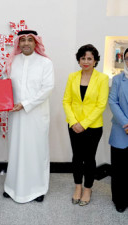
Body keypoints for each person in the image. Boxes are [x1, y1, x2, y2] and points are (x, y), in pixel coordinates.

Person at [2, 30, 54, 203]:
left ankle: (37, 188)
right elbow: (5, 83)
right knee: (16, 150)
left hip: (36, 116)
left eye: (29, 40)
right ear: (18, 43)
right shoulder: (13, 61)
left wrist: (25, 104)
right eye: (22, 40)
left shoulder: (45, 63)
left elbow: (46, 89)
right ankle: (12, 187)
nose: (25, 43)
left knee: (36, 151)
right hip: (15, 116)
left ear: (36, 42)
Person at [63, 44, 109, 206]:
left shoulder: (102, 79)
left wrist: (84, 124)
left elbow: (101, 105)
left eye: (90, 58)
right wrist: (74, 122)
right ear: (79, 60)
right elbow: (66, 101)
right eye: (83, 58)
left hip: (93, 126)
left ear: (95, 60)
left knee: (89, 159)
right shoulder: (72, 77)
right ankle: (77, 187)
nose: (86, 61)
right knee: (76, 157)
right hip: (73, 125)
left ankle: (88, 188)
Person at [108, 47, 128, 213]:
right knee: (119, 169)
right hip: (121, 131)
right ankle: (119, 200)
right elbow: (112, 102)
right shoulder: (117, 79)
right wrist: (125, 123)